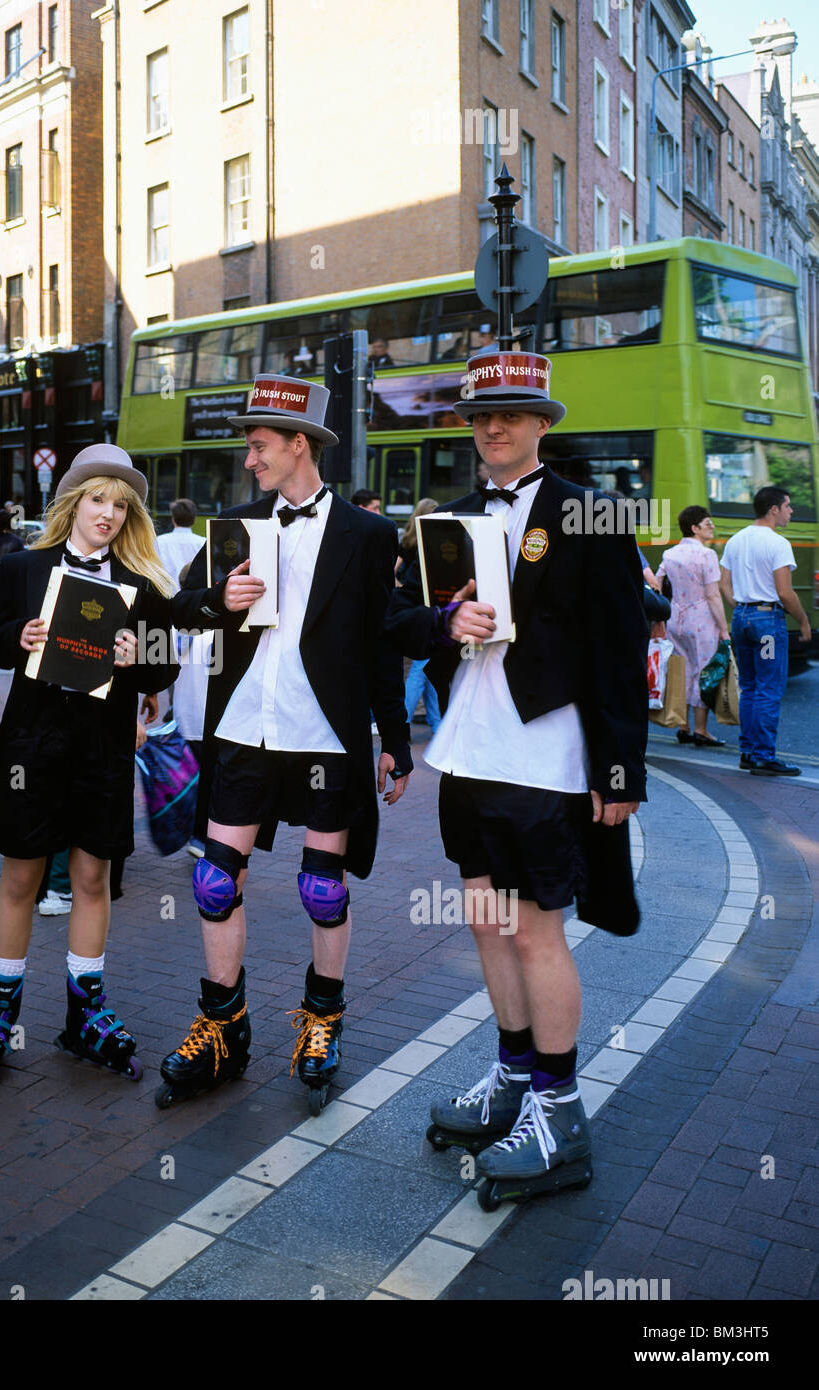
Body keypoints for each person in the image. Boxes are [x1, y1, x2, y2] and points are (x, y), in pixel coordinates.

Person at [387, 348, 647, 1208]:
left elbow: (619, 650)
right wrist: (439, 618)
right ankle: (512, 1077)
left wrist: (620, 770)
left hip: (547, 754)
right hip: (467, 748)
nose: (492, 426)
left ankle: (560, 1112)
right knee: (486, 921)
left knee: (537, 931)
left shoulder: (591, 515)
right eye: (479, 415)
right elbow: (397, 624)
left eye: (510, 413)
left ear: (541, 424)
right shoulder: (447, 522)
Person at [159, 375, 413, 1114]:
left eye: (260, 446)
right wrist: (218, 600)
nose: (249, 461)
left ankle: (322, 1022)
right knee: (214, 880)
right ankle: (223, 1028)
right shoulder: (236, 526)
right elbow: (182, 608)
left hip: (324, 733)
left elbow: (381, 645)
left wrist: (393, 737)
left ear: (299, 444)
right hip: (244, 726)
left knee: (321, 886)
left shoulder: (368, 536)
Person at [0, 443, 178, 1092]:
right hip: (32, 750)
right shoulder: (25, 568)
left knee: (91, 880)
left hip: (104, 751)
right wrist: (21, 637)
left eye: (120, 504)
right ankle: (0, 1010)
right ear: (72, 503)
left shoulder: (142, 584)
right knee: (22, 879)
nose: (108, 514)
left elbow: (163, 669)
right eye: (97, 500)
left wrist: (133, 652)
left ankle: (85, 1011)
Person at [718, 486, 811, 775]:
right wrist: (804, 621)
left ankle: (748, 752)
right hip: (768, 624)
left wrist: (743, 608)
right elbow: (785, 593)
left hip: (742, 619)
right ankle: (764, 756)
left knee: (749, 687)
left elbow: (723, 583)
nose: (791, 511)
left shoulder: (736, 539)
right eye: (788, 506)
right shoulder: (777, 543)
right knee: (768, 689)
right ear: (774, 509)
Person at [654, 506, 730, 747]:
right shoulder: (707, 555)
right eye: (708, 523)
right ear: (695, 528)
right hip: (702, 618)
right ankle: (701, 730)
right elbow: (713, 596)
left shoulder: (670, 554)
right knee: (704, 671)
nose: (712, 527)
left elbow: (656, 584)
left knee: (683, 670)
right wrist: (724, 629)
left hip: (676, 617)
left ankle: (683, 726)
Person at [395, 499, 441, 732]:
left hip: (417, 608)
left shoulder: (409, 541)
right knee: (420, 669)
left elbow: (393, 570)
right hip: (426, 608)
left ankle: (436, 724)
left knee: (425, 668)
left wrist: (402, 589)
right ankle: (405, 720)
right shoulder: (427, 542)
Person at [156, 497, 205, 583]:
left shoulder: (159, 542)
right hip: (191, 594)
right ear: (194, 520)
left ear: (173, 519)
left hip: (166, 593)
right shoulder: (203, 542)